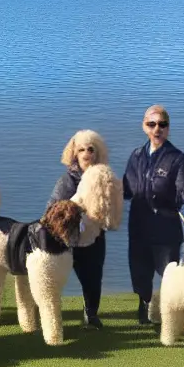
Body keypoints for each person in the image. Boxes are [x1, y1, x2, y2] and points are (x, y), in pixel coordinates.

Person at [122, 105, 184, 325]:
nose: (157, 129)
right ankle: (145, 305)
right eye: (152, 124)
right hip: (138, 226)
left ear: (168, 128)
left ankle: (172, 316)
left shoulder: (178, 159)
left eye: (162, 125)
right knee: (140, 272)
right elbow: (125, 190)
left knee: (170, 275)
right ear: (144, 127)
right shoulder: (136, 156)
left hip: (165, 229)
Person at [47, 129, 110, 329]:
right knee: (56, 278)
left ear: (97, 153)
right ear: (74, 153)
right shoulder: (66, 181)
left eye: (90, 149)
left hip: (95, 237)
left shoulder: (103, 178)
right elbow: (51, 212)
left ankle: (91, 313)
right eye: (81, 149)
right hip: (68, 240)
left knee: (93, 277)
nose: (86, 154)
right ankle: (50, 314)